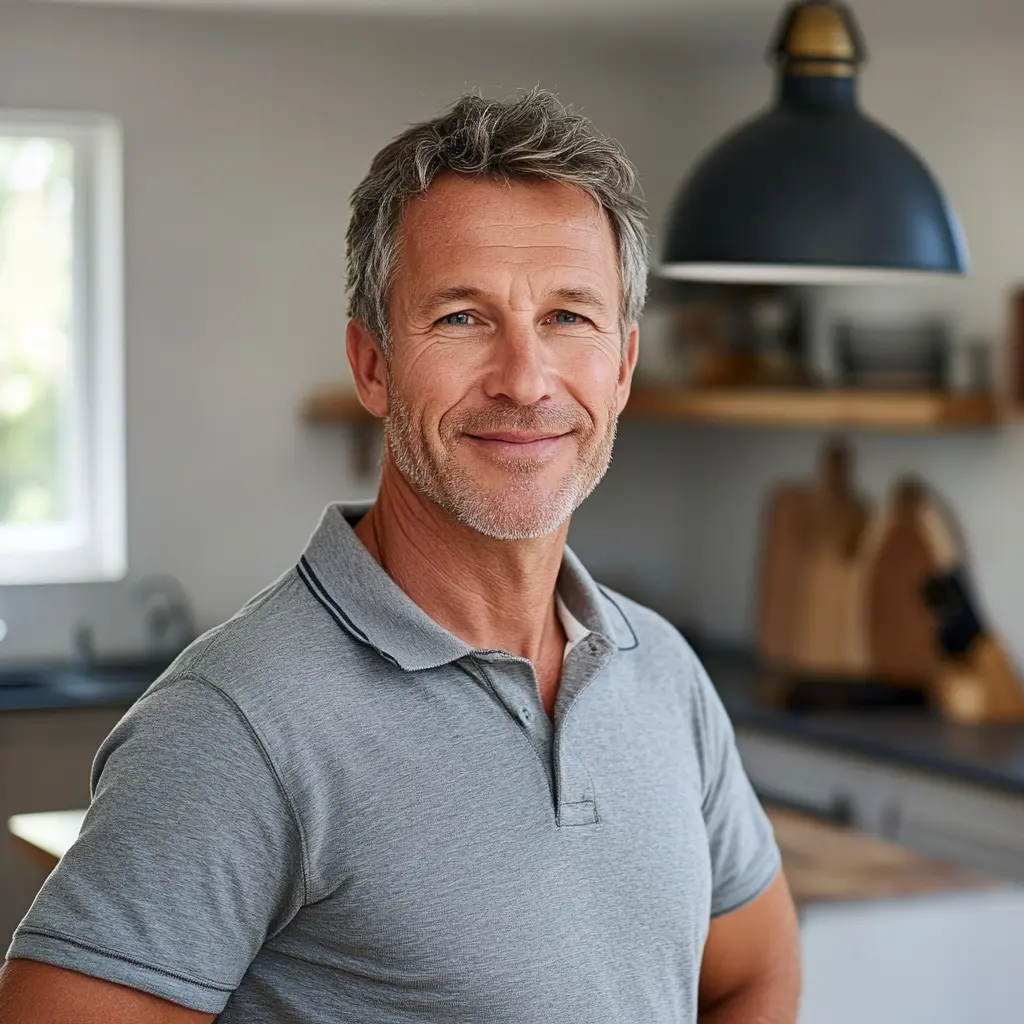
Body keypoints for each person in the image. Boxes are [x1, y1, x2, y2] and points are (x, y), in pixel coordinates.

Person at [0, 89, 801, 1023]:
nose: (525, 380)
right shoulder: (234, 723)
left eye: (568, 317)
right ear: (373, 365)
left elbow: (753, 973)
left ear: (622, 367)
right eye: (461, 317)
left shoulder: (660, 671)